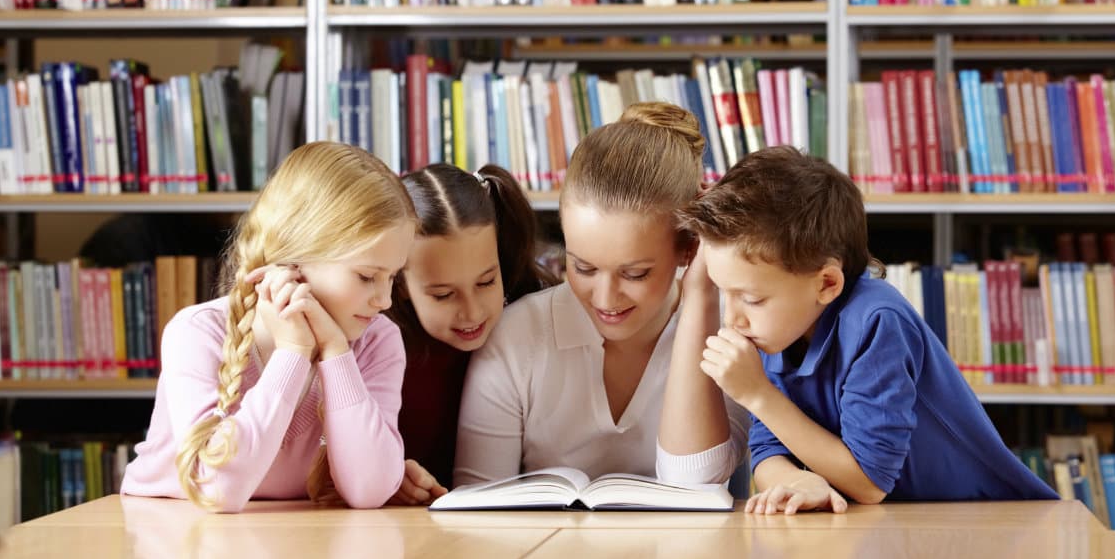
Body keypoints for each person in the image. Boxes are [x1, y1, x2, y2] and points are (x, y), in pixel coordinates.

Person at [677, 146, 1060, 513]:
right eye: (724, 293)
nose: (733, 320)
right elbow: (767, 449)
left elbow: (869, 483)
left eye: (752, 299)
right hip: (895, 524)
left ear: (827, 283)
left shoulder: (876, 320)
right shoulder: (776, 329)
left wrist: (757, 394)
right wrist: (797, 481)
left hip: (990, 519)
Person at [453, 102, 748, 488]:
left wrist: (700, 294)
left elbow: (695, 483)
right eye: (584, 268)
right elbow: (474, 503)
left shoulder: (732, 329)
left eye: (635, 273)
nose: (606, 299)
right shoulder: (515, 337)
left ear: (690, 246)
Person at [120, 142, 417, 512]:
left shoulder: (378, 340)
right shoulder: (195, 333)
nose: (385, 300)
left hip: (295, 533)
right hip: (170, 527)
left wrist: (335, 352)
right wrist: (293, 352)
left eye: (393, 276)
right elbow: (216, 490)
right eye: (367, 276)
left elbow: (369, 491)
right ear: (294, 260)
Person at [384, 163, 555, 505]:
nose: (473, 312)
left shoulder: (533, 318)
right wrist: (385, 472)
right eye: (444, 295)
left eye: (486, 282)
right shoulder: (377, 345)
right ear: (399, 283)